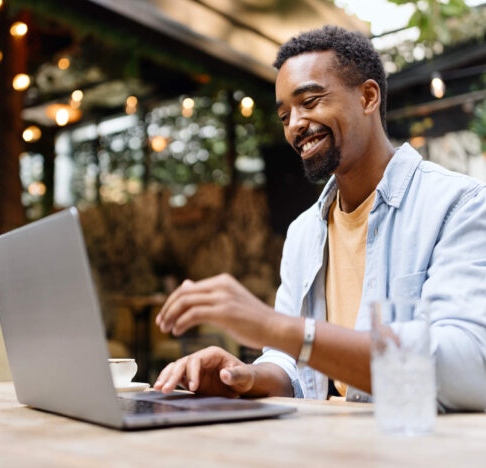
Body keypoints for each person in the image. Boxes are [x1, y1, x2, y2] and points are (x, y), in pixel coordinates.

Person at [153, 26, 486, 411]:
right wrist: (245, 378)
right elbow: (290, 364)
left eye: (310, 101)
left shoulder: (458, 205)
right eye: (284, 115)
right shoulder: (303, 233)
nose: (294, 124)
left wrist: (275, 327)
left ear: (368, 96)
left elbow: (468, 368)